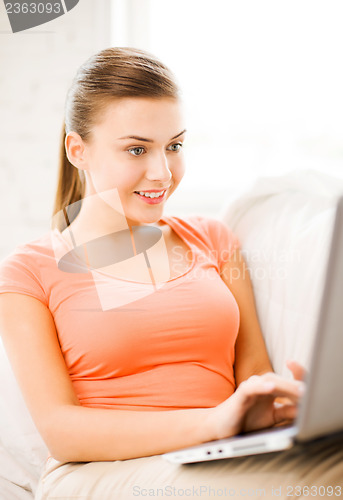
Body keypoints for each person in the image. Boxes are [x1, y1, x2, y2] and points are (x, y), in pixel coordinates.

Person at [0, 47, 325, 500]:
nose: (162, 173)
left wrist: (281, 406)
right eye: (137, 149)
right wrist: (213, 422)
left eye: (174, 146)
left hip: (220, 454)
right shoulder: (27, 272)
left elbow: (253, 373)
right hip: (103, 471)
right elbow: (62, 431)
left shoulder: (212, 238)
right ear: (78, 150)